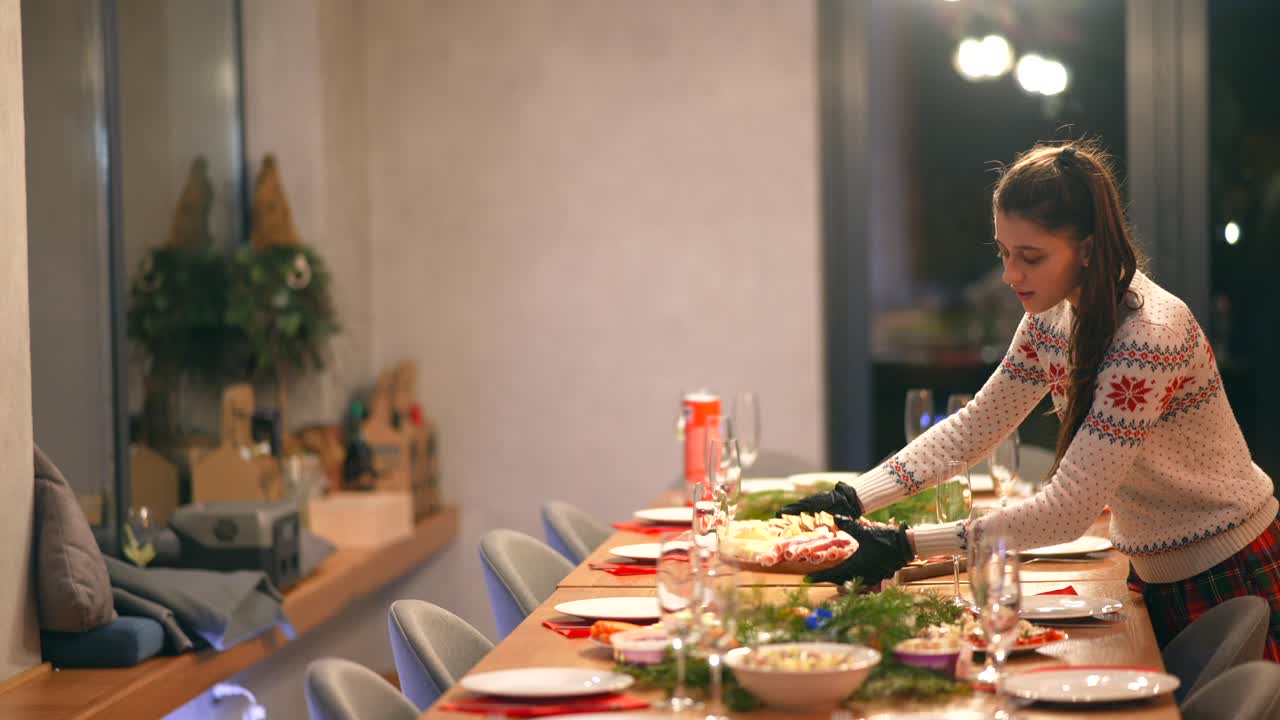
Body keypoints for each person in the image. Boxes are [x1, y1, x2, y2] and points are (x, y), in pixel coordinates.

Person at [783, 140, 1280, 659]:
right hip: (1157, 569)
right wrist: (855, 497)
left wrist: (906, 546)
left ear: (1087, 248)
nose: (1010, 275)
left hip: (1228, 569)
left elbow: (1066, 511)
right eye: (1004, 253)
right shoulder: (1050, 317)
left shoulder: (1147, 335)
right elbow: (975, 425)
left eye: (1031, 257)